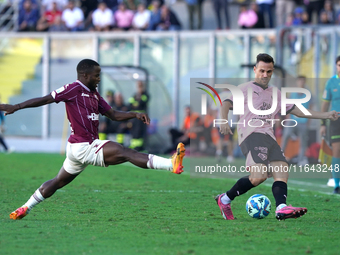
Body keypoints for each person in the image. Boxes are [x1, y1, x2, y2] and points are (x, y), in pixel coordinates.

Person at [0, 59, 186, 220]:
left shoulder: (94, 95)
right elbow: (45, 99)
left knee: (58, 182)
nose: (99, 79)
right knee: (125, 152)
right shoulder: (72, 89)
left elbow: (112, 114)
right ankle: (171, 164)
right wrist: (16, 106)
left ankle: (25, 207)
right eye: (96, 75)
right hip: (83, 146)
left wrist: (134, 114)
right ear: (85, 75)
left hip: (78, 149)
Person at [216, 53, 339, 220]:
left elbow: (296, 110)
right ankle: (224, 200)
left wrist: (325, 115)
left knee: (281, 171)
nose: (265, 75)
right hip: (251, 134)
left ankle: (281, 208)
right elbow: (226, 103)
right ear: (255, 70)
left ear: (272, 71)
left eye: (269, 71)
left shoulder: (276, 93)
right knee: (258, 176)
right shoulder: (245, 88)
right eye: (261, 71)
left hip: (269, 136)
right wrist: (223, 120)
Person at [281, 76, 312, 166]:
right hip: (292, 120)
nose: (301, 82)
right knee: (285, 137)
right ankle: (280, 157)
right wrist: (287, 118)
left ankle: (301, 160)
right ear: (297, 82)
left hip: (303, 121)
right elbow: (288, 106)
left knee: (303, 141)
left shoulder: (308, 94)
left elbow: (310, 107)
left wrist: (309, 120)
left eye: (303, 81)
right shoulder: (292, 93)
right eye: (299, 81)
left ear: (304, 82)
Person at [320, 55, 340, 194]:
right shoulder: (331, 83)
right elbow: (325, 104)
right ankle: (337, 185)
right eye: (339, 64)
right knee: (336, 152)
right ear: (336, 66)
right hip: (336, 121)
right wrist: (322, 123)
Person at [128, 81, 149, 151]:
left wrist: (137, 101)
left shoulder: (145, 95)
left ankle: (140, 147)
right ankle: (134, 146)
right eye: (138, 86)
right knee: (134, 131)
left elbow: (141, 103)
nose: (139, 87)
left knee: (140, 132)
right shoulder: (134, 95)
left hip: (142, 118)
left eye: (141, 86)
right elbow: (130, 104)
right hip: (134, 117)